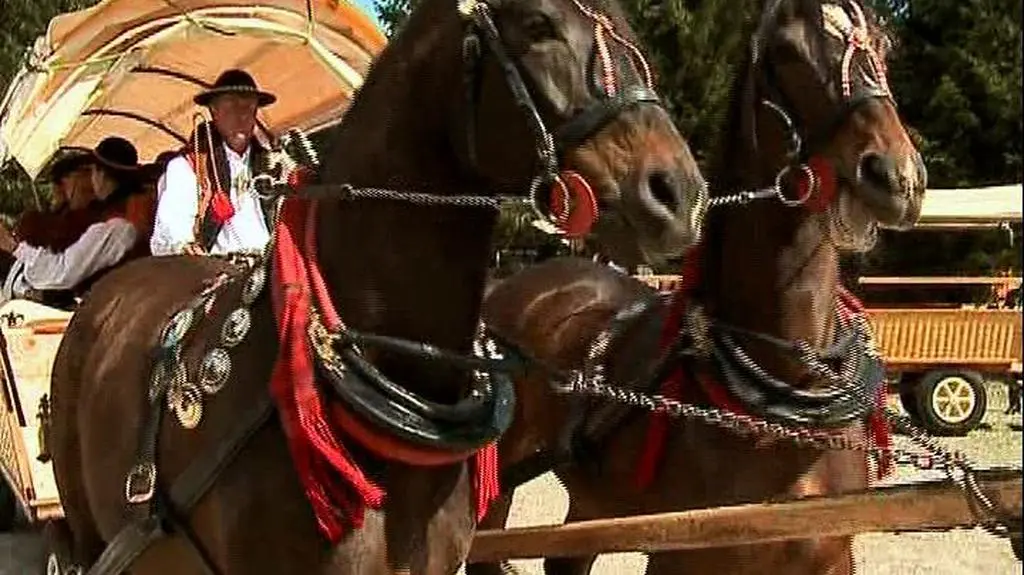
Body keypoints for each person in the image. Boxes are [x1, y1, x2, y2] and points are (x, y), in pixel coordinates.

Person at [0, 137, 148, 306]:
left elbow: (61, 273)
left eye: (90, 172)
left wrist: (13, 246)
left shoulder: (117, 226)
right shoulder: (114, 219)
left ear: (100, 174)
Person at [150, 69, 277, 256]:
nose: (241, 115)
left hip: (270, 267)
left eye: (248, 107)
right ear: (214, 111)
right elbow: (172, 227)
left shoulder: (272, 165)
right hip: (216, 271)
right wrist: (184, 246)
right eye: (231, 106)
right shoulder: (187, 167)